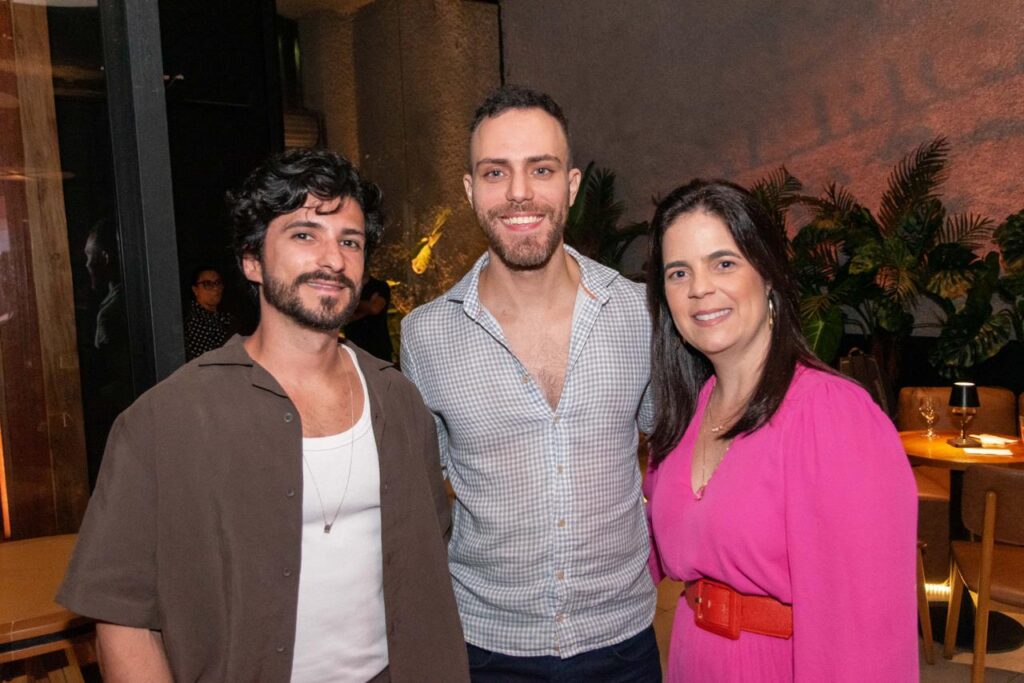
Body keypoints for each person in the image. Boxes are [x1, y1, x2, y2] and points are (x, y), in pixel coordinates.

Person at [58, 149, 469, 683]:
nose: (333, 258)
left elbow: (429, 561)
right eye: (304, 235)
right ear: (252, 260)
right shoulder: (166, 421)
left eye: (350, 241)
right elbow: (122, 616)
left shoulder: (400, 403)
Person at [401, 85, 660, 681]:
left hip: (622, 642)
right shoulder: (426, 335)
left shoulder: (638, 313)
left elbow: (679, 449)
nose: (519, 192)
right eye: (496, 172)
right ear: (471, 191)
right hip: (487, 647)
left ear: (570, 185)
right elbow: (423, 496)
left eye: (540, 169)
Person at [643, 179, 918, 681]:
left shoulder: (832, 416)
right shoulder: (687, 414)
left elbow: (865, 631)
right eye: (678, 272)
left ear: (768, 275)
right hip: (692, 662)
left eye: (724, 263)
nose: (699, 288)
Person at [184, 264, 234, 360]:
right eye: (207, 284)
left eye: (218, 283)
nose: (215, 288)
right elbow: (205, 360)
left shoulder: (226, 316)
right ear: (195, 290)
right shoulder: (193, 320)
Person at [344, 269, 394, 361]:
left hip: (378, 345)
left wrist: (352, 304)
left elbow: (375, 309)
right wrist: (367, 307)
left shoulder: (379, 286)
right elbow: (344, 319)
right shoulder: (346, 288)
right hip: (354, 345)